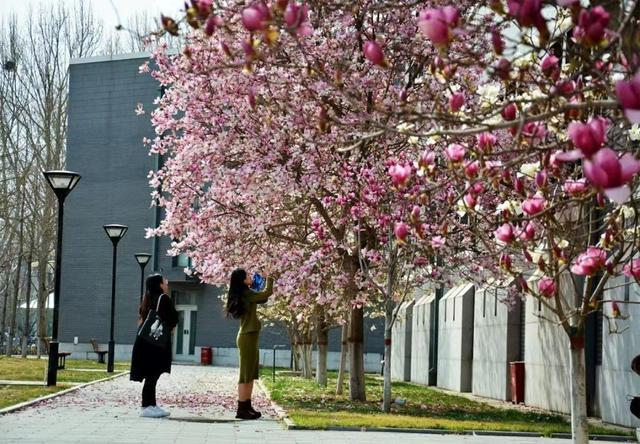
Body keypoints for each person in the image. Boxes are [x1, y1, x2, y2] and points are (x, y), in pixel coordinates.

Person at [226, 268, 274, 420]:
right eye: (247, 275)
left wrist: (260, 283)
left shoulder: (247, 293)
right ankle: (242, 408)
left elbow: (262, 298)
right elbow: (266, 294)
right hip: (247, 337)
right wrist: (269, 278)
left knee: (251, 373)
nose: (250, 276)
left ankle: (247, 406)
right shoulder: (246, 294)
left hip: (250, 336)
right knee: (245, 374)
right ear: (242, 280)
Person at [130, 274, 178, 418]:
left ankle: (151, 405)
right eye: (164, 281)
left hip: (145, 341)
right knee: (152, 374)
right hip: (154, 344)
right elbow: (173, 318)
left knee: (151, 375)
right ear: (159, 284)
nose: (167, 283)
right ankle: (146, 406)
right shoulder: (163, 298)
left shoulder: (147, 299)